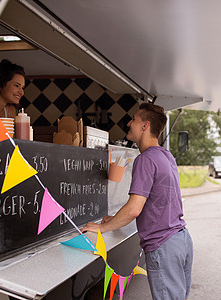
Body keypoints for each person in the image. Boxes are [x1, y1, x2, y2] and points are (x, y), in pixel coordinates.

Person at [82, 103, 193, 300]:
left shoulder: (145, 159)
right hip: (181, 240)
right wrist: (115, 219)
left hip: (163, 244)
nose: (128, 123)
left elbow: (134, 209)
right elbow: (156, 202)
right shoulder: (166, 156)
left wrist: (101, 229)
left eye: (134, 119)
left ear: (145, 126)